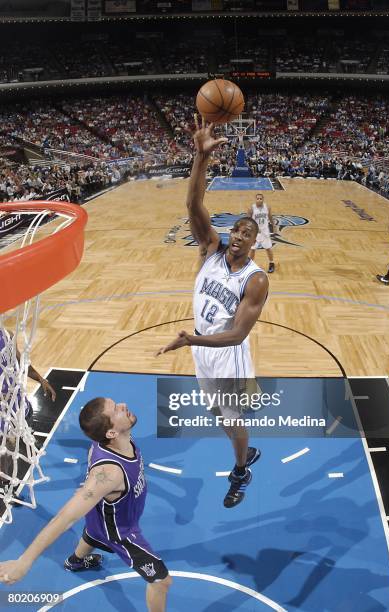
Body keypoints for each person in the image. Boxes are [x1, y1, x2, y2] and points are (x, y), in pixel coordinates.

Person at [156, 117, 269, 509]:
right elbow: (192, 203)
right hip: (201, 347)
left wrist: (192, 339)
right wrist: (200, 158)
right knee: (219, 414)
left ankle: (242, 469)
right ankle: (241, 447)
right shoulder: (209, 248)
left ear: (255, 244)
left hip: (225, 352)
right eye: (236, 230)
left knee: (230, 416)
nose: (238, 236)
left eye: (247, 234)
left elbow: (237, 334)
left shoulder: (255, 280)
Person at [0, 397, 172, 612]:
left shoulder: (111, 441)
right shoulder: (110, 472)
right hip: (121, 530)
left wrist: (91, 492)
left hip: (101, 511)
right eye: (116, 409)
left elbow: (94, 477)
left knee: (92, 532)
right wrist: (24, 562)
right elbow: (64, 518)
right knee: (161, 582)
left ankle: (75, 562)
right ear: (111, 433)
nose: (123, 405)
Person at [0, 328, 56, 495]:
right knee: (3, 452)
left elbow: (20, 361)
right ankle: (4, 483)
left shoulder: (6, 333)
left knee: (25, 422)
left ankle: (26, 440)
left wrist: (41, 379)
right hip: (3, 408)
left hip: (16, 399)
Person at [247, 193, 276, 273]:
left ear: (263, 199)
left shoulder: (267, 207)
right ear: (255, 199)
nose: (259, 200)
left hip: (265, 231)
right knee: (252, 249)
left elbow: (270, 217)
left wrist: (274, 226)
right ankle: (250, 265)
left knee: (268, 248)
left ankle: (271, 263)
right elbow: (248, 220)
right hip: (255, 232)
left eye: (261, 198)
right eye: (258, 198)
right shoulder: (251, 208)